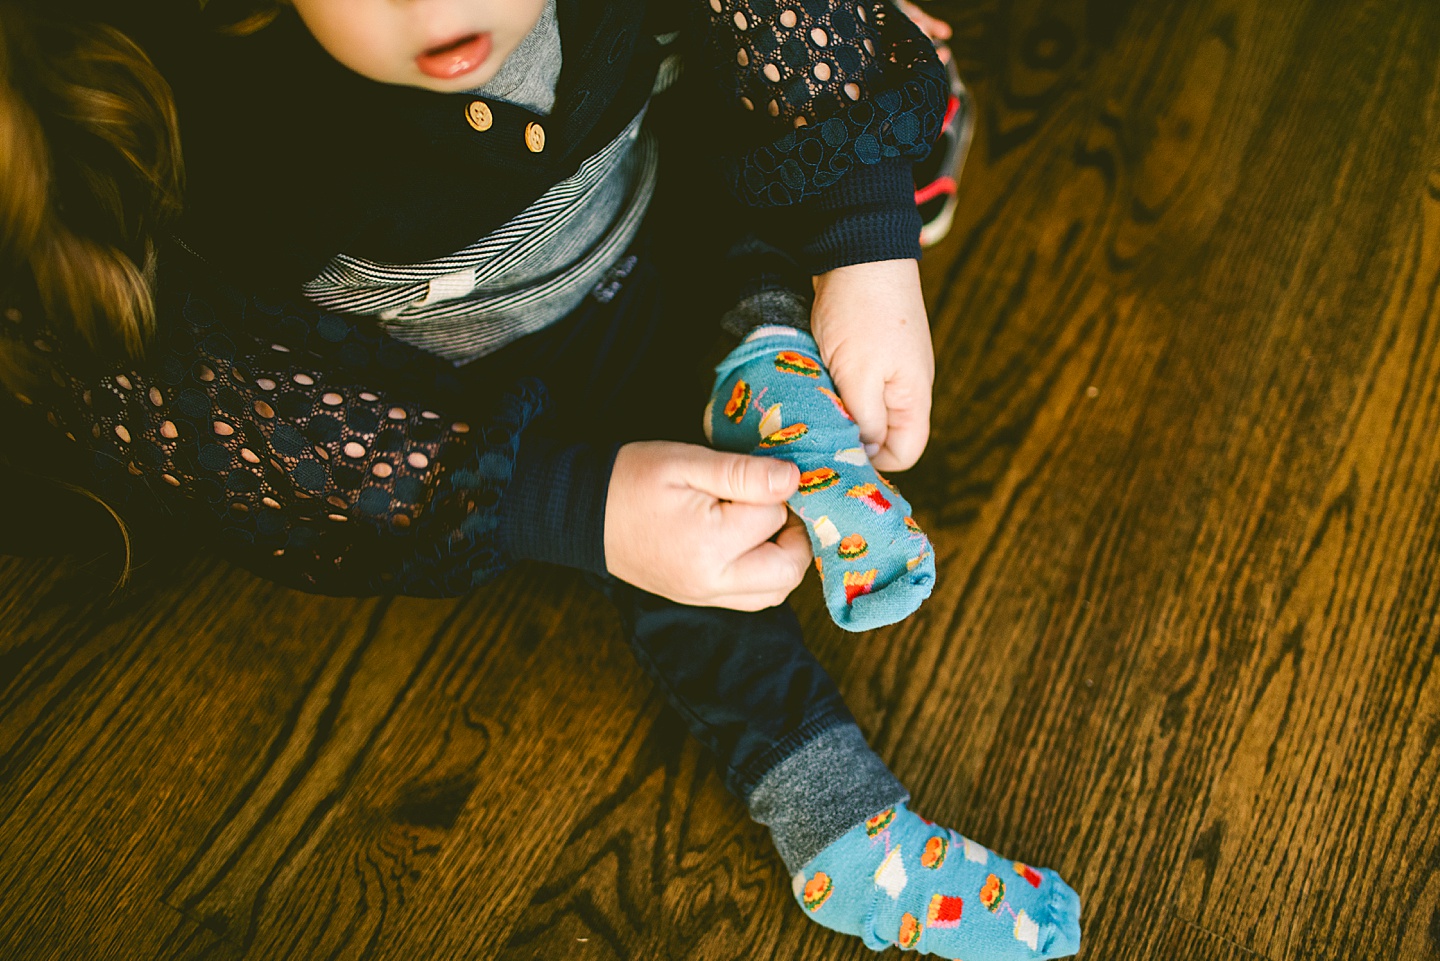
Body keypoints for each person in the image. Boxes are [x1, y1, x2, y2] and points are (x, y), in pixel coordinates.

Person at [0, 0, 1081, 955]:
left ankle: (771, 353)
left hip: (675, 206)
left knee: (811, 141)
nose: (433, 7)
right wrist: (586, 508)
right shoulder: (231, 140)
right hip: (521, 404)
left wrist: (868, 249)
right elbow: (251, 424)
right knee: (700, 580)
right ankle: (844, 829)